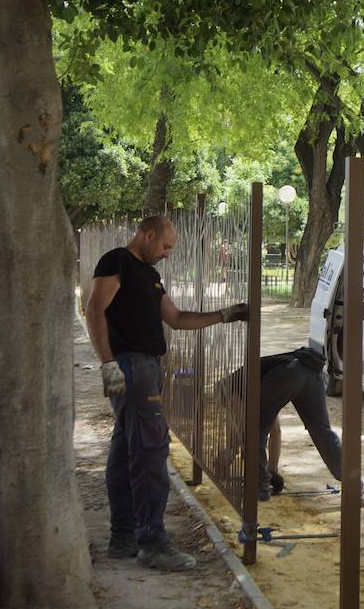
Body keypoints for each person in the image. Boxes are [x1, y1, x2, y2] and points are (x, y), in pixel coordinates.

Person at [84, 214, 247, 572]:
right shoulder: (117, 261)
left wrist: (226, 314)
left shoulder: (150, 275)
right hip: (130, 367)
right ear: (147, 234)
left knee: (126, 446)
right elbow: (94, 309)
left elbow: (176, 318)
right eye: (166, 246)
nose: (168, 253)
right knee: (150, 452)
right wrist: (107, 364)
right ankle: (152, 542)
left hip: (146, 368)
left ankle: (123, 537)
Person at [220, 347, 342, 500]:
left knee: (255, 428)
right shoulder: (256, 381)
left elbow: (241, 427)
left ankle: (260, 487)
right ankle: (351, 480)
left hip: (288, 373)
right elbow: (275, 430)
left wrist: (229, 452)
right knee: (322, 431)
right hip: (311, 371)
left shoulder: (231, 388)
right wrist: (272, 472)